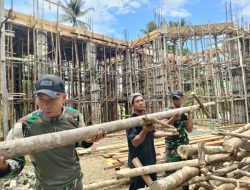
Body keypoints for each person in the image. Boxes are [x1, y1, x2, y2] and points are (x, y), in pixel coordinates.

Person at [0, 74, 105, 190]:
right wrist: (3, 167)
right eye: (40, 99)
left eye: (52, 99)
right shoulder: (24, 125)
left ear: (64, 97)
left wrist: (87, 141)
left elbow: (78, 142)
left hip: (75, 182)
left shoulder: (74, 116)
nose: (46, 105)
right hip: (46, 186)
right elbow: (16, 163)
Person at [126, 93, 177, 190]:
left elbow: (152, 134)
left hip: (150, 159)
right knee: (137, 187)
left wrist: (169, 134)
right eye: (137, 101)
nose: (141, 102)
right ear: (132, 105)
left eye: (142, 100)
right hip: (137, 161)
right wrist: (145, 130)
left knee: (153, 186)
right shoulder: (131, 121)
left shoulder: (147, 118)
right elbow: (135, 142)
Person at [164, 90, 193, 189]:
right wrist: (173, 118)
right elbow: (163, 126)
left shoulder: (184, 111)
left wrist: (190, 115)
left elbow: (189, 129)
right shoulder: (168, 111)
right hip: (172, 147)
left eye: (177, 98)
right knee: (170, 170)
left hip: (184, 144)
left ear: (182, 98)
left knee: (186, 170)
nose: (175, 101)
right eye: (174, 99)